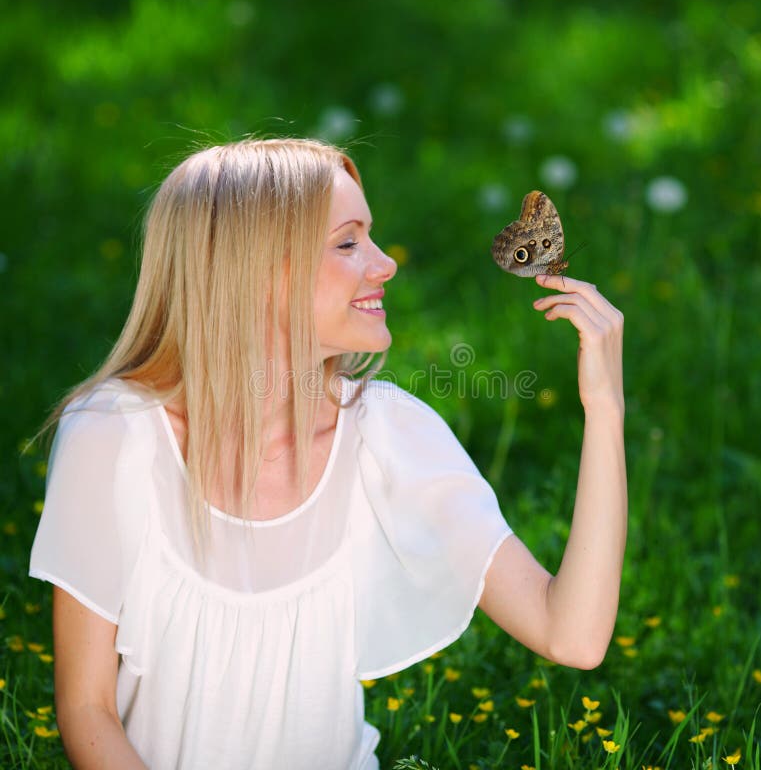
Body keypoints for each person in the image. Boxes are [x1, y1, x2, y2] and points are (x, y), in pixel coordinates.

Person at [28, 138, 627, 770]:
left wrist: (606, 411)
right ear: (251, 270)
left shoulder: (388, 435)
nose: (385, 264)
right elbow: (87, 708)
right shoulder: (114, 436)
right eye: (348, 243)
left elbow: (573, 635)